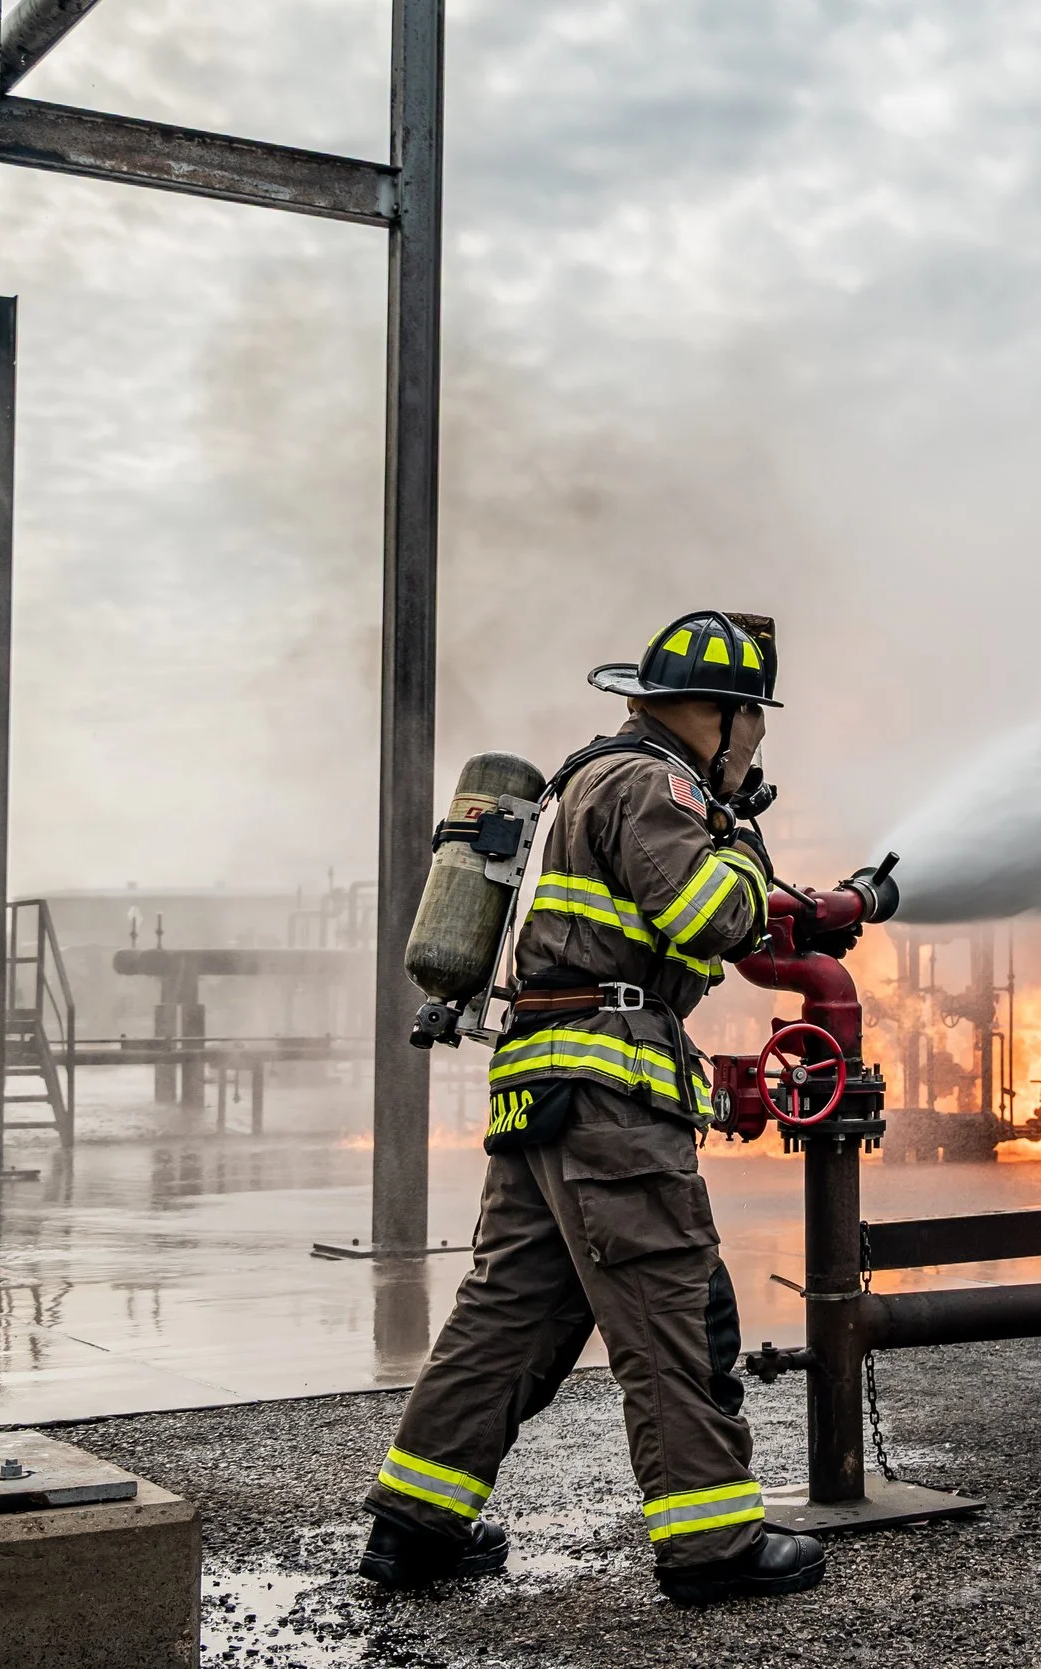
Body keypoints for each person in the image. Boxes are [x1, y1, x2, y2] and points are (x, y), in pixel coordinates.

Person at [360, 610, 848, 1605]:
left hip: (544, 1088)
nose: (754, 745)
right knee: (670, 1305)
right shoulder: (653, 783)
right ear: (720, 715)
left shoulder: (588, 778)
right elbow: (707, 913)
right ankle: (711, 1544)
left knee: (508, 1315)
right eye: (751, 723)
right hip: (611, 1097)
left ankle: (413, 1527)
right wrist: (748, 845)